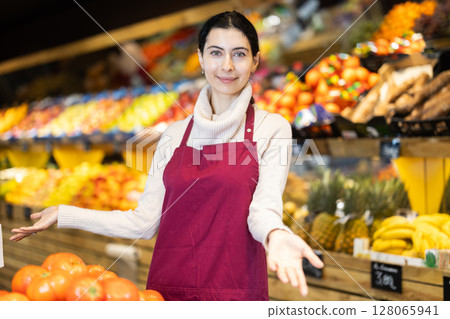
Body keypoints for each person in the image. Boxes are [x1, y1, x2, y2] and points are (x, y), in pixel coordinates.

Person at [10, 11, 323, 301]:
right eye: (215, 52)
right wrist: (65, 214)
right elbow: (143, 223)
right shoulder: (173, 135)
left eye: (239, 54)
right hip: (167, 293)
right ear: (200, 59)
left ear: (255, 62)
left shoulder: (272, 128)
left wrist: (276, 234)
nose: (226, 66)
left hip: (235, 295)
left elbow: (262, 211)